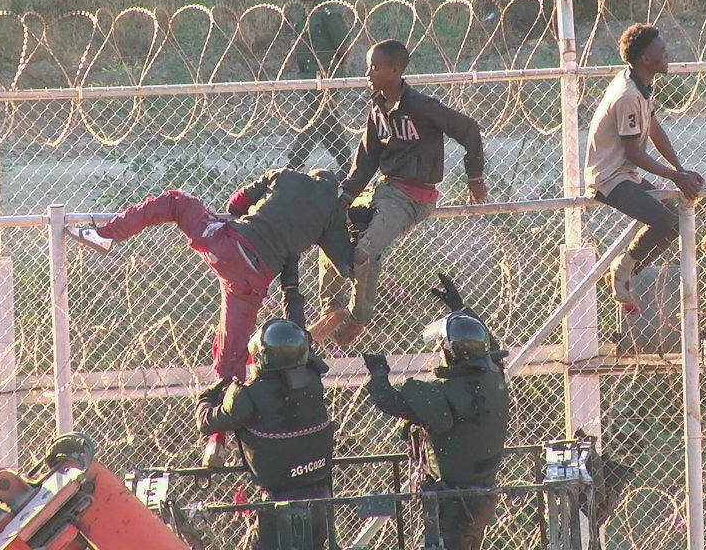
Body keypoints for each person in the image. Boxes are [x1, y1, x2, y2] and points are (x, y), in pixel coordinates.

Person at [67, 168, 353, 465]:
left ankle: (105, 235)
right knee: (231, 356)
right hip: (255, 280)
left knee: (178, 201)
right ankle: (216, 440)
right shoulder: (330, 213)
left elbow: (235, 204)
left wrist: (254, 213)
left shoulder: (286, 175)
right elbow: (345, 262)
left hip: (230, 247)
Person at [311, 39, 488, 346]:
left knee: (364, 252)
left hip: (412, 197)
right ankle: (332, 308)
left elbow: (469, 130)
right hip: (384, 189)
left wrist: (474, 176)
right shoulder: (377, 107)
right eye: (368, 66)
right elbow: (367, 157)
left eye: (375, 67)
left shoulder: (421, 107)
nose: (368, 72)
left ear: (395, 70)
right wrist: (346, 196)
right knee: (328, 226)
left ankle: (359, 317)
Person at [360, 273, 509, 550]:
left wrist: (378, 372)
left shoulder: (443, 395)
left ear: (448, 353)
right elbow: (492, 345)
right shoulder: (495, 378)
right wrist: (460, 309)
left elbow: (387, 400)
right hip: (483, 498)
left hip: (455, 504)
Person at [585, 23, 706, 314]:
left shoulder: (641, 85)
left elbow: (653, 127)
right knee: (662, 222)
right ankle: (623, 270)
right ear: (645, 59)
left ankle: (626, 272)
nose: (667, 55)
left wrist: (680, 168)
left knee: (676, 221)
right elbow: (633, 151)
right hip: (608, 178)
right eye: (661, 52)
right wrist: (674, 176)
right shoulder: (627, 94)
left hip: (625, 174)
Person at [196, 319, 334, 550]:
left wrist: (209, 395)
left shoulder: (248, 395)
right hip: (320, 490)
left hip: (279, 497)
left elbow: (205, 422)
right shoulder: (312, 380)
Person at [288, 0, 353, 177]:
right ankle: (347, 164)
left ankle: (294, 164)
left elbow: (344, 46)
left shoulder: (328, 13)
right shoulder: (300, 12)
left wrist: (332, 70)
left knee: (313, 118)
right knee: (326, 122)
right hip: (307, 75)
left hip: (325, 76)